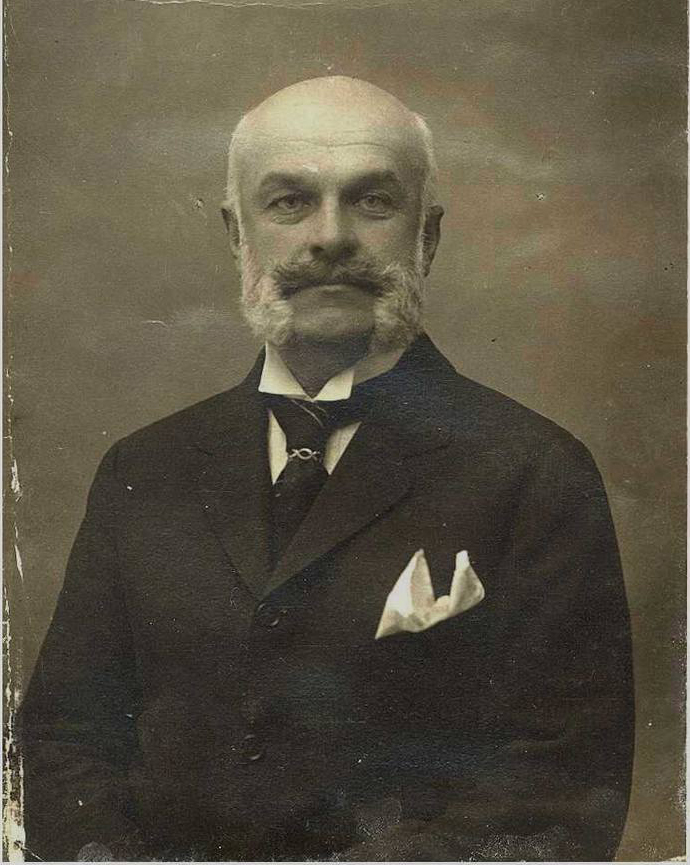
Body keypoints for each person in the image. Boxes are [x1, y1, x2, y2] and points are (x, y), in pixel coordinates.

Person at [19, 77, 634, 862]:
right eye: (290, 202)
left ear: (427, 236)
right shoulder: (142, 469)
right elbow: (63, 744)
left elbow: (559, 794)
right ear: (237, 235)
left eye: (373, 201)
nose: (331, 236)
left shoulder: (535, 472)